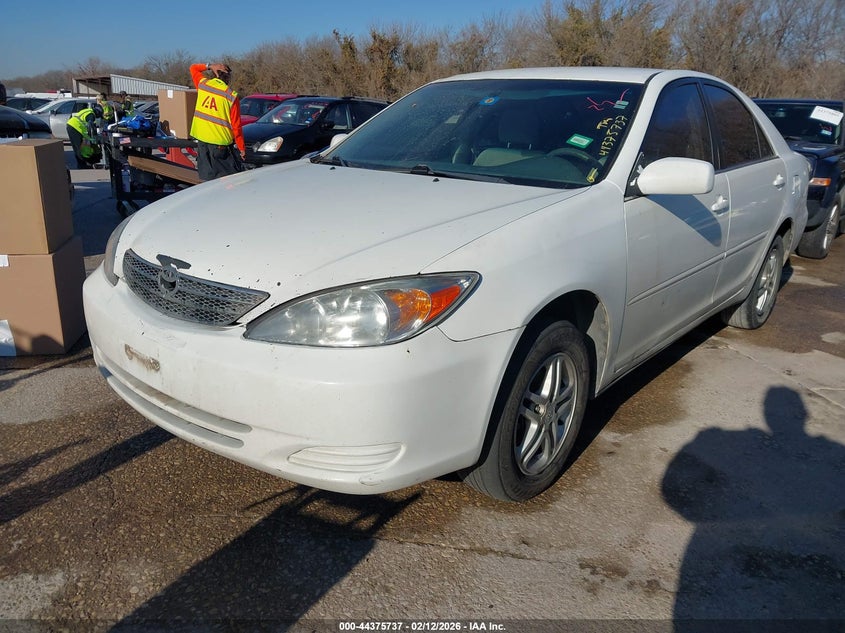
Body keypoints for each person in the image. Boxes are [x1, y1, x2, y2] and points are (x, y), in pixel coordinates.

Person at [189, 61, 245, 181]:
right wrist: (241, 148)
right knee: (230, 180)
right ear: (229, 78)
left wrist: (209, 66)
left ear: (215, 73)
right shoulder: (231, 96)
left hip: (202, 141)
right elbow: (236, 126)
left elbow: (193, 68)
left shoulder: (203, 85)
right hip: (220, 144)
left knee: (207, 180)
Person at [66, 104, 103, 169]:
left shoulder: (88, 111)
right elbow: (90, 124)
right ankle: (82, 165)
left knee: (77, 147)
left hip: (72, 126)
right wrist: (93, 134)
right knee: (78, 148)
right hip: (75, 127)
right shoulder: (91, 114)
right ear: (97, 112)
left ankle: (82, 164)